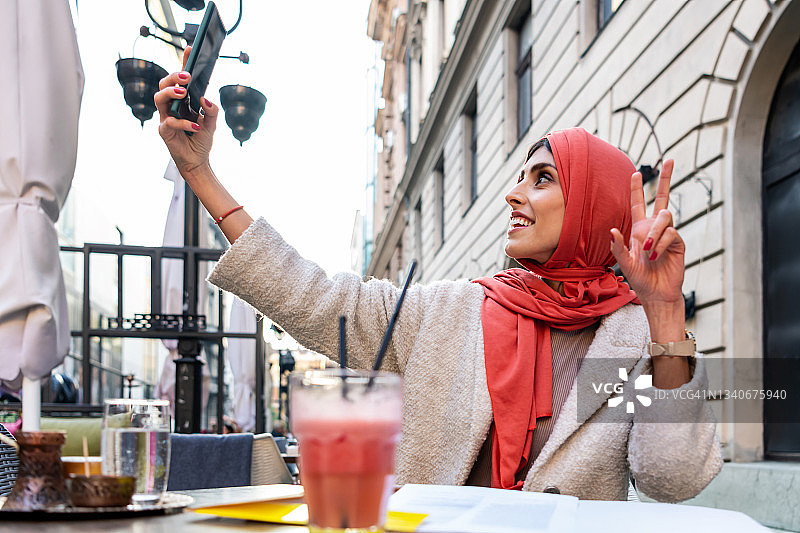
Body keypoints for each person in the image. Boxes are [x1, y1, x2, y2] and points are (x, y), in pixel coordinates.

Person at [153, 50, 722, 501]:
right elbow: (317, 298)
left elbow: (671, 482)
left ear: (593, 209)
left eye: (543, 178)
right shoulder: (445, 311)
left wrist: (665, 312)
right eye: (520, 176)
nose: (513, 193)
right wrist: (201, 173)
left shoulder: (634, 335)